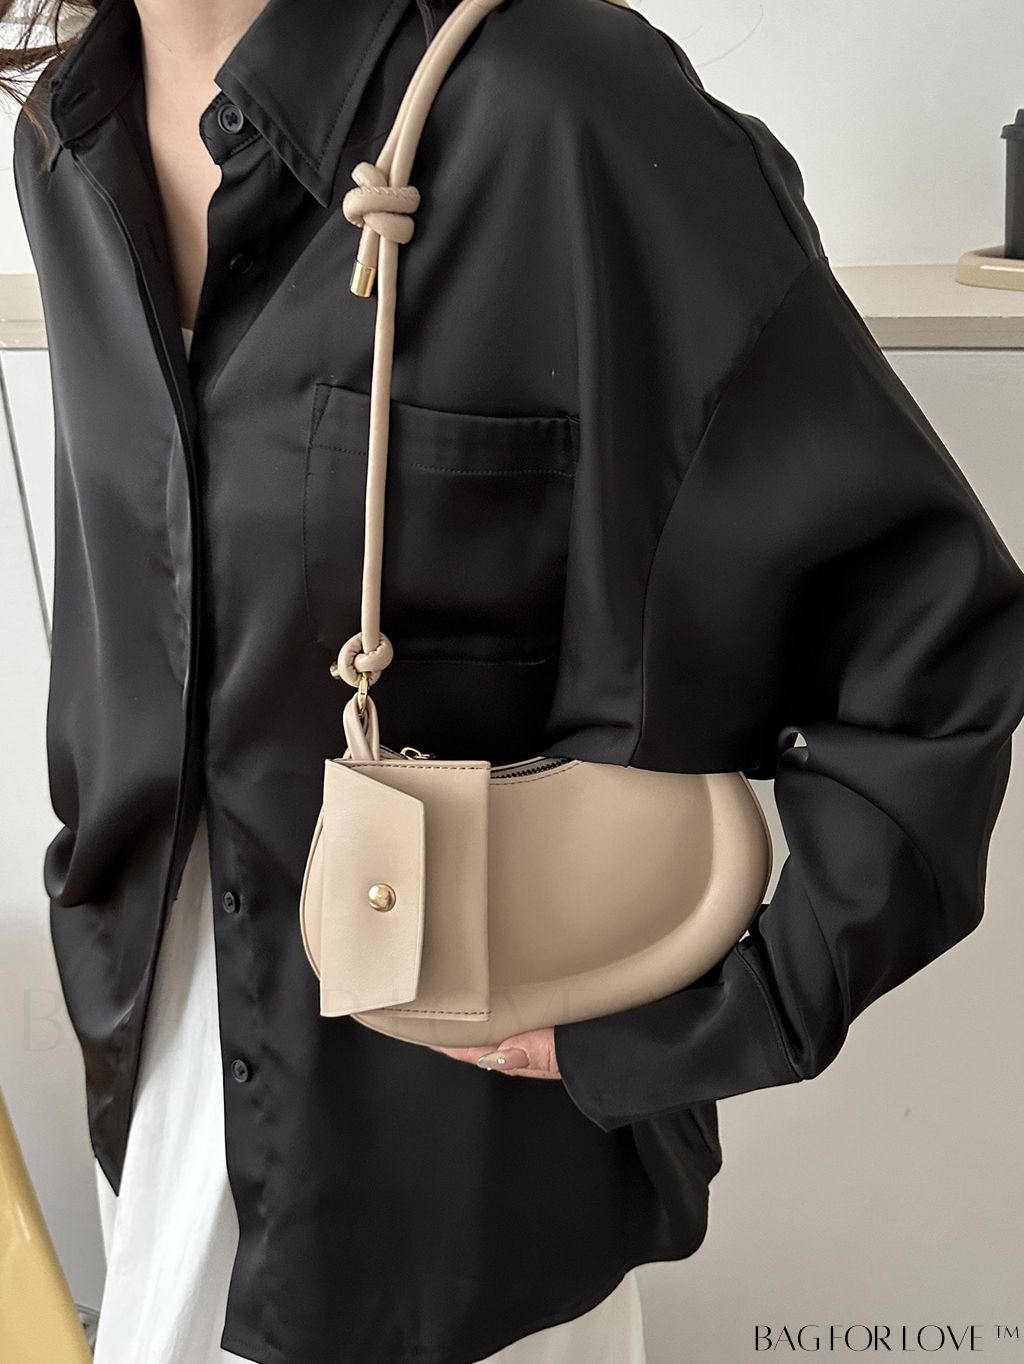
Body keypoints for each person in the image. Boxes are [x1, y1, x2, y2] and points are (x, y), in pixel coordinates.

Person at [6, 0, 1024, 1362]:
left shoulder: (564, 108)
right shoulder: (67, 139)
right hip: (158, 1116)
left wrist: (731, 1010)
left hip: (461, 1195)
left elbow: (930, 642)